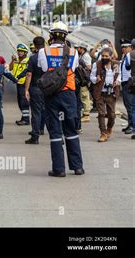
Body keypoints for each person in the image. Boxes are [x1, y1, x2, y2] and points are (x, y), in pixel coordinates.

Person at [38, 21, 84, 177]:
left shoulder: (43, 51)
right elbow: (74, 68)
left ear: (51, 36)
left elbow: (44, 69)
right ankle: (77, 167)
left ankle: (59, 169)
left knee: (55, 130)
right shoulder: (73, 52)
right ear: (65, 37)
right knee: (71, 129)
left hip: (52, 94)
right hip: (69, 93)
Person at [90, 48, 121, 142]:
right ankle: (103, 133)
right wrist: (96, 79)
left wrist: (117, 81)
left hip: (111, 93)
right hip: (100, 93)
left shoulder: (116, 64)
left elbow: (120, 75)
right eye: (103, 56)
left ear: (111, 56)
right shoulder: (97, 64)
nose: (104, 58)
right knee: (101, 114)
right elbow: (91, 76)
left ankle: (109, 128)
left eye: (106, 56)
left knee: (111, 115)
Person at [24, 36, 46, 144]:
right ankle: (58, 136)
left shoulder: (33, 58)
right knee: (51, 112)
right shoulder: (49, 56)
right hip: (49, 88)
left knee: (36, 113)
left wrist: (26, 90)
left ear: (35, 45)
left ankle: (35, 136)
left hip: (36, 88)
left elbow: (29, 74)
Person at [10, 43, 30, 125]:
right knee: (20, 101)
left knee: (23, 101)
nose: (20, 53)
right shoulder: (16, 61)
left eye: (22, 52)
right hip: (18, 83)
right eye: (19, 51)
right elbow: (10, 68)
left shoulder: (28, 61)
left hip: (24, 83)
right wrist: (12, 60)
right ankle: (24, 117)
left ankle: (26, 119)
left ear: (25, 53)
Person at [74, 43, 93, 123]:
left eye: (78, 48)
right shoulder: (82, 56)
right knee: (83, 96)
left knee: (85, 96)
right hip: (82, 79)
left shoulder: (86, 56)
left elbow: (89, 68)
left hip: (84, 79)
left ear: (82, 49)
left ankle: (86, 115)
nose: (77, 49)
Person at [120, 39, 133, 134]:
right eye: (122, 47)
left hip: (128, 82)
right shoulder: (125, 56)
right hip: (124, 82)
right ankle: (130, 124)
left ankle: (132, 126)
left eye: (125, 47)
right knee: (127, 105)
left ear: (130, 47)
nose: (123, 49)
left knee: (130, 106)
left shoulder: (130, 55)